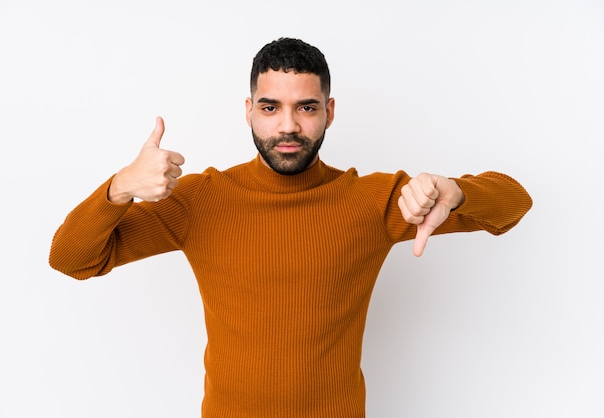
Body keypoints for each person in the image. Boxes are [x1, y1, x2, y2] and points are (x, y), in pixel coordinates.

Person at [49, 37, 532, 418]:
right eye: (270, 107)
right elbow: (72, 259)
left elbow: (515, 203)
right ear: (248, 110)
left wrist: (457, 190)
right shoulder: (201, 201)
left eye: (305, 107)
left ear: (330, 111)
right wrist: (119, 188)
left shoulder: (374, 202)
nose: (288, 126)